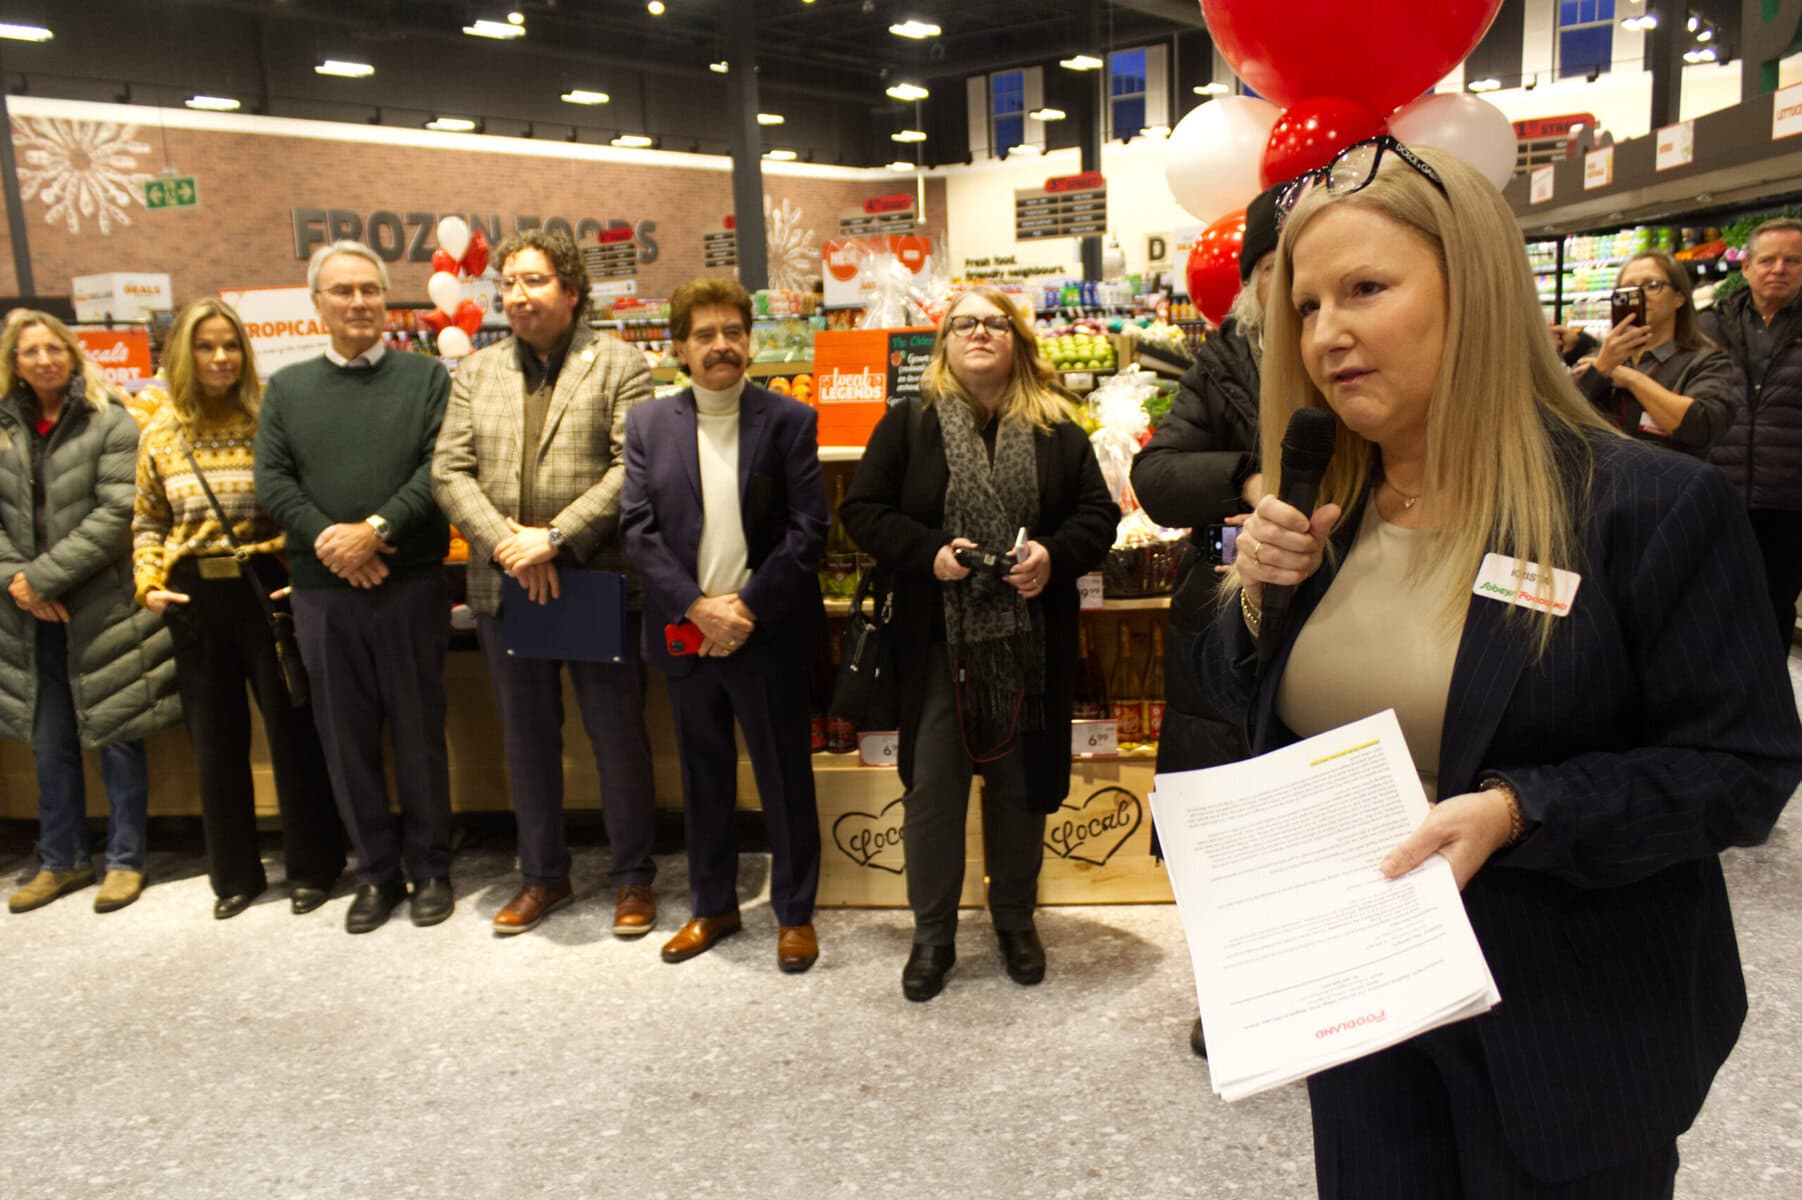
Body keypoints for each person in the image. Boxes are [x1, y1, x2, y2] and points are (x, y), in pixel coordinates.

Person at [1204, 137, 1802, 1198]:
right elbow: (1259, 720)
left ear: (1473, 292)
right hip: (1365, 1011)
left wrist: (1522, 808)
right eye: (1304, 307)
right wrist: (1250, 606)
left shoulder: (1645, 507)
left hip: (1569, 1026)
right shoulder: (1325, 512)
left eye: (1364, 289)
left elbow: (1740, 767)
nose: (1327, 332)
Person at [840, 286, 1117, 1002]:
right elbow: (862, 511)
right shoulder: (909, 425)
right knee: (933, 789)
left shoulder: (1060, 430)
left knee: (1020, 791)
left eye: (995, 323)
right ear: (945, 345)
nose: (980, 333)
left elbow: (1098, 516)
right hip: (936, 642)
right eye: (964, 323)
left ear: (1017, 341)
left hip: (1029, 643)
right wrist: (928, 553)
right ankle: (932, 935)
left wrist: (1053, 556)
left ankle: (1015, 921)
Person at [432, 229, 660, 938]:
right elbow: (449, 470)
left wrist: (554, 538)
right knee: (526, 739)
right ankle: (542, 876)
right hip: (507, 583)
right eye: (507, 283)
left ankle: (632, 879)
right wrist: (510, 545)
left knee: (616, 737)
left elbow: (633, 470)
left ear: (571, 288)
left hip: (592, 579)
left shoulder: (622, 363)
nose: (517, 296)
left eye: (533, 280)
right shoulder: (476, 371)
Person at [620, 277, 828, 972]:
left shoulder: (789, 420)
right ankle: (713, 906)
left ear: (750, 340)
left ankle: (795, 913)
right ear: (679, 346)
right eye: (705, 334)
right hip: (687, 631)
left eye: (733, 332)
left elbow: (808, 531)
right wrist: (697, 606)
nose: (721, 346)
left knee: (783, 777)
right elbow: (638, 530)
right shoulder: (650, 424)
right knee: (703, 777)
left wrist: (744, 607)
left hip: (763, 629)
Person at [254, 240, 455, 935]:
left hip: (411, 585)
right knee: (345, 741)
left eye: (370, 289)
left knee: (420, 732)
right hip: (322, 593)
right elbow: (273, 481)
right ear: (318, 304)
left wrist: (375, 528)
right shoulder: (286, 389)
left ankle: (431, 868)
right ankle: (376, 873)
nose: (359, 302)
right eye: (342, 291)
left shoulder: (426, 380)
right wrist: (334, 544)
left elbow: (440, 468)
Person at [132, 298, 345, 920]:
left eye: (230, 345)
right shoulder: (161, 431)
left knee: (292, 731)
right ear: (182, 354)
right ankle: (233, 876)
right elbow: (148, 520)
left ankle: (314, 865)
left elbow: (301, 502)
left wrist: (293, 563)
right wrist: (148, 583)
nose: (220, 357)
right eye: (205, 346)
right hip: (194, 596)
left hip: (265, 587)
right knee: (215, 742)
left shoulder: (268, 421)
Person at [1130, 182, 1279, 1060]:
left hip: (1345, 611)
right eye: (1272, 266)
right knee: (1222, 818)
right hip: (1229, 619)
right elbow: (1157, 479)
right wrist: (1252, 480)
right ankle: (1231, 992)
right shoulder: (1222, 360)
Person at [0, 311, 180, 914]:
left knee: (117, 733)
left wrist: (43, 577)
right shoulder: (3, 426)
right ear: (14, 361)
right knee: (47, 738)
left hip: (101, 604)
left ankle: (125, 861)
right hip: (27, 613)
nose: (45, 359)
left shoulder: (111, 420)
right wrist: (18, 584)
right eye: (31, 352)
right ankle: (62, 860)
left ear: (74, 355)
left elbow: (115, 514)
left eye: (55, 348)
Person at [1706, 217, 1802, 647]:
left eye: (1793, 260)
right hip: (1715, 491)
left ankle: (1770, 703)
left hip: (1789, 501)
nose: (1778, 268)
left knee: (1775, 607)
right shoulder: (1710, 325)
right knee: (1709, 602)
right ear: (1746, 267)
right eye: (1768, 259)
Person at [1571, 251, 1737, 455]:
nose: (1639, 296)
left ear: (1679, 298)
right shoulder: (1598, 359)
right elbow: (1558, 420)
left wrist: (1631, 378)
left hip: (1668, 483)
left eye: (1652, 286)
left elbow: (1701, 428)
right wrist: (1600, 370)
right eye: (1628, 288)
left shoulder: (1706, 362)